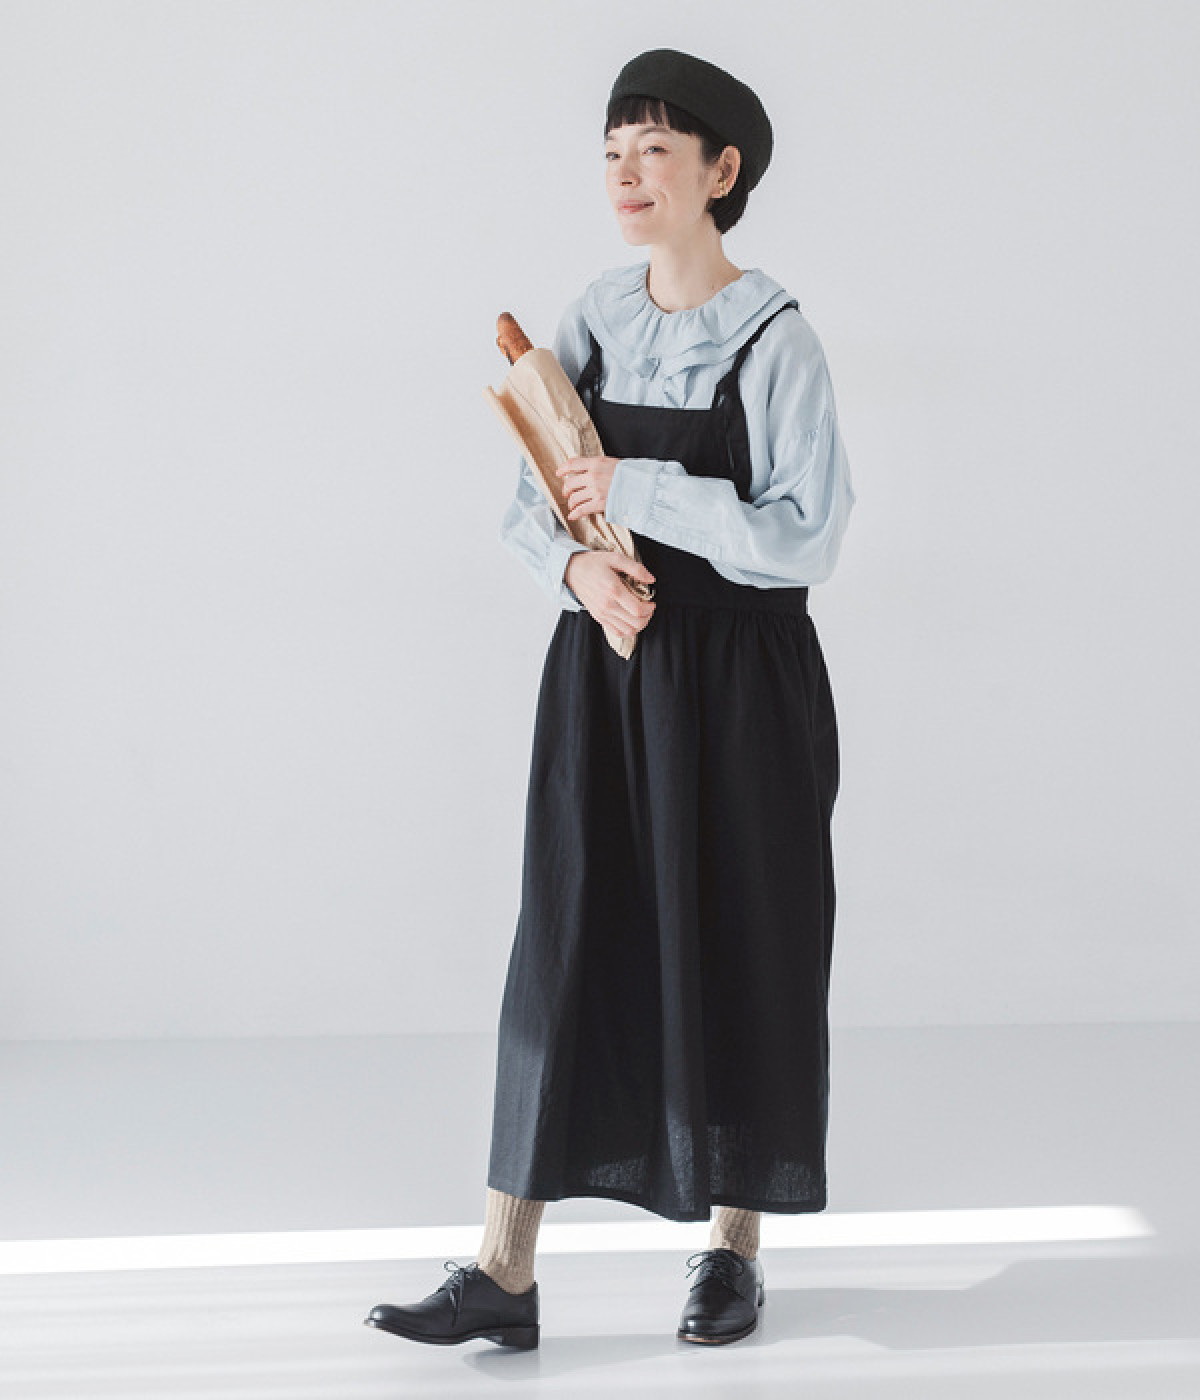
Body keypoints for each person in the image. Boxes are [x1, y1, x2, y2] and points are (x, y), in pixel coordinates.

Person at [365, 46, 855, 1352]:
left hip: (743, 684)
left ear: (722, 172)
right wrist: (579, 570)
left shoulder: (777, 340)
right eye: (612, 152)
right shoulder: (590, 318)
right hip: (607, 675)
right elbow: (531, 500)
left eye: (655, 150)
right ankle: (504, 1269)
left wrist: (639, 493)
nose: (627, 175)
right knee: (565, 944)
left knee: (746, 938)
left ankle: (732, 1246)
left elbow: (807, 538)